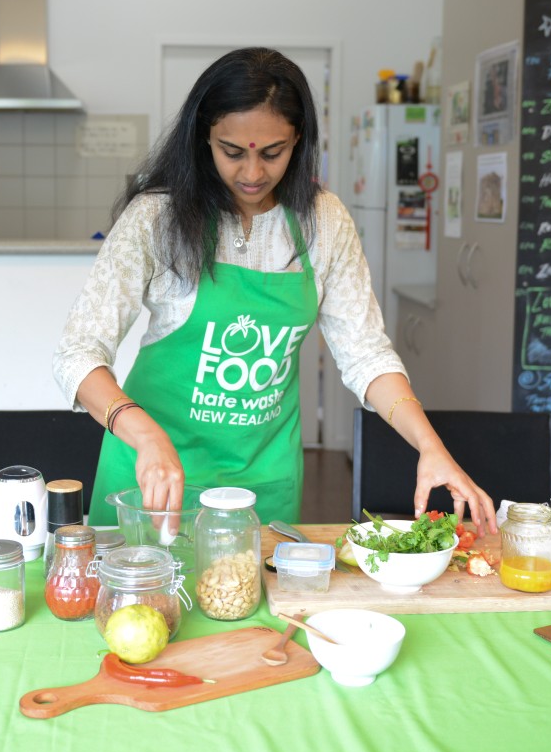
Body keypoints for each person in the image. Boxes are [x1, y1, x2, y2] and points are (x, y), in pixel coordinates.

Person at [53, 47, 496, 533]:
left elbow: (366, 354)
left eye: (272, 152)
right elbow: (78, 353)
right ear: (204, 138)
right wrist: (144, 434)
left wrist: (431, 447)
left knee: (259, 608)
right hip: (152, 477)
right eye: (232, 151)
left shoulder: (324, 222)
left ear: (298, 140)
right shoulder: (156, 219)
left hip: (262, 485)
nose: (252, 173)